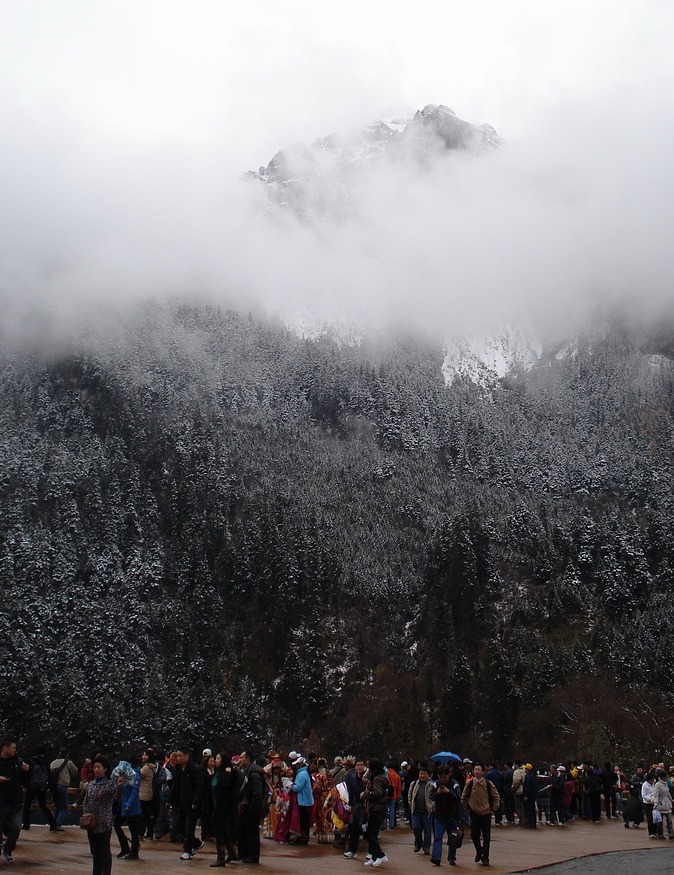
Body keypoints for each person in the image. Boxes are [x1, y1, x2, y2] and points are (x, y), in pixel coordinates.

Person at [81, 756, 116, 875]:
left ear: (105, 769)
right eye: (94, 767)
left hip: (104, 822)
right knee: (95, 852)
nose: (96, 770)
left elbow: (114, 793)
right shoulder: (91, 784)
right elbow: (86, 800)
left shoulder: (109, 784)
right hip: (91, 822)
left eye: (98, 767)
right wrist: (86, 814)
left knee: (104, 850)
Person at [461, 763, 499, 868]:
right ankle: (479, 850)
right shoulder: (469, 783)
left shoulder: (488, 783)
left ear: (483, 772)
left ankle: (485, 857)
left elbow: (496, 796)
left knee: (486, 837)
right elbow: (463, 796)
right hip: (473, 812)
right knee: (474, 836)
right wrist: (466, 808)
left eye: (479, 769)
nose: (477, 771)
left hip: (486, 812)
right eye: (475, 769)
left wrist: (493, 809)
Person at [171, 746, 204, 860]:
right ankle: (196, 843)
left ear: (187, 756)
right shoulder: (178, 769)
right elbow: (175, 785)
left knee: (189, 827)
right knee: (180, 827)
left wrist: (196, 801)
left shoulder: (195, 769)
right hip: (180, 802)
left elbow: (199, 786)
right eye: (177, 756)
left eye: (181, 756)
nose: (178, 758)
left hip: (191, 803)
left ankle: (187, 850)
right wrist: (171, 800)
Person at [0, 740, 29, 864]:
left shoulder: (17, 762)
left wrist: (27, 770)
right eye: (12, 748)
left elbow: (26, 780)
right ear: (5, 748)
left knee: (16, 827)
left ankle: (8, 849)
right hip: (1, 801)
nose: (14, 750)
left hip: (14, 802)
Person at [210, 753, 240, 867]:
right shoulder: (217, 773)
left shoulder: (228, 773)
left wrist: (228, 771)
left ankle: (220, 857)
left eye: (218, 759)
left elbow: (226, 785)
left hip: (224, 807)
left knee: (219, 831)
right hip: (217, 805)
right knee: (223, 830)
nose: (215, 761)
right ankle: (232, 852)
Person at [429, 765, 461, 867]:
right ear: (438, 776)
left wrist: (449, 792)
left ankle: (451, 858)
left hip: (452, 815)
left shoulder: (454, 784)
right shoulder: (436, 784)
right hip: (439, 816)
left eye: (445, 777)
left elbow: (458, 797)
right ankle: (436, 858)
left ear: (449, 775)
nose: (443, 779)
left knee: (453, 838)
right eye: (441, 777)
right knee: (438, 837)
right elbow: (431, 797)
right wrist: (438, 793)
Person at [111, 757, 142, 860]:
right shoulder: (125, 775)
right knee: (116, 824)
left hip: (131, 806)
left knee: (133, 830)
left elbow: (135, 791)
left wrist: (129, 804)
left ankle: (134, 852)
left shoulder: (135, 774)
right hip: (123, 804)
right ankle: (125, 847)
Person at [21, 751, 61, 832]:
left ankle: (26, 825)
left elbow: (26, 773)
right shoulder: (45, 761)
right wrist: (48, 786)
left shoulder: (29, 761)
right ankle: (53, 824)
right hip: (42, 787)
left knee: (27, 805)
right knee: (43, 805)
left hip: (31, 786)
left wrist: (25, 785)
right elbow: (49, 774)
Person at [237, 751, 265, 863]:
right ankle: (244, 853)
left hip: (252, 808)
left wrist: (253, 809)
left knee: (252, 833)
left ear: (247, 759)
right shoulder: (247, 771)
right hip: (246, 807)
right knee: (243, 831)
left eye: (242, 758)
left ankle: (253, 856)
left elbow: (257, 793)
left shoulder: (253, 774)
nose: (240, 760)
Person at [362, 758, 389, 867]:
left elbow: (377, 793)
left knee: (370, 834)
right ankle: (374, 857)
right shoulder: (381, 777)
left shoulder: (377, 779)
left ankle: (380, 855)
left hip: (377, 808)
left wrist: (366, 793)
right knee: (373, 833)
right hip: (378, 808)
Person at [49, 747, 79, 827]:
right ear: (67, 754)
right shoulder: (68, 762)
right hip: (62, 786)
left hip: (53, 787)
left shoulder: (52, 763)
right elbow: (75, 771)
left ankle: (53, 823)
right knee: (64, 808)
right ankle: (56, 824)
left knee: (58, 806)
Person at [407, 765, 434, 854]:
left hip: (427, 812)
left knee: (427, 830)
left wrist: (432, 806)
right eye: (421, 774)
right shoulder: (414, 784)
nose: (422, 776)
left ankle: (426, 848)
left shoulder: (432, 785)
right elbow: (410, 794)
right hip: (416, 811)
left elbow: (435, 797)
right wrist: (411, 804)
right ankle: (418, 843)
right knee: (416, 828)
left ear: (428, 775)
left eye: (424, 774)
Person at [343, 757, 367, 858]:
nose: (359, 767)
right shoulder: (352, 778)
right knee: (353, 828)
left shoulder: (367, 779)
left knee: (366, 829)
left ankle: (372, 852)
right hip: (355, 805)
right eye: (358, 765)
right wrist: (349, 804)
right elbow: (350, 792)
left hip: (366, 806)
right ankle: (352, 850)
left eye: (361, 765)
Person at [289, 754, 314, 844]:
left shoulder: (301, 774)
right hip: (307, 801)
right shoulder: (305, 773)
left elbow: (297, 787)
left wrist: (290, 786)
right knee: (305, 821)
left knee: (303, 821)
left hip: (303, 801)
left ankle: (303, 838)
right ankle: (304, 837)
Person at [652, 769, 674, 840]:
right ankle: (660, 834)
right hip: (660, 804)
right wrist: (655, 803)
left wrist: (671, 800)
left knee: (669, 820)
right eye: (666, 776)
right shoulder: (657, 785)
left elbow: (668, 794)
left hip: (667, 803)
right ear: (663, 777)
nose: (667, 778)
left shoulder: (666, 784)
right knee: (660, 821)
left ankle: (671, 833)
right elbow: (656, 795)